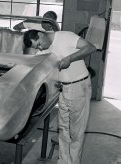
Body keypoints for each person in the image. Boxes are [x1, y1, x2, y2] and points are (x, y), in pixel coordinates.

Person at [23, 29, 96, 164]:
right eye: (36, 47)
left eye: (38, 44)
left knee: (76, 131)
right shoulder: (43, 50)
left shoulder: (65, 36)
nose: (39, 48)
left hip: (79, 86)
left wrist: (70, 58)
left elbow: (91, 47)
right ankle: (63, 161)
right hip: (63, 89)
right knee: (63, 129)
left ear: (40, 35)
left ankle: (73, 162)